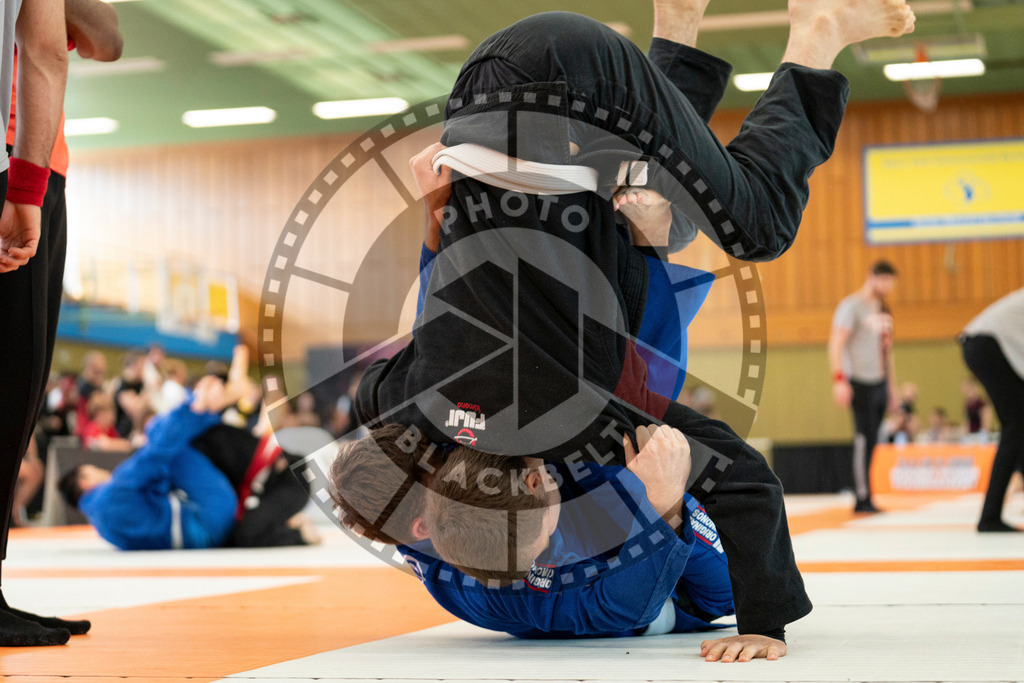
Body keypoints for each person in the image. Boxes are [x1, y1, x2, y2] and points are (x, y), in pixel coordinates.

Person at [351, 0, 916, 651]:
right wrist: (435, 219)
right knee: (663, 209)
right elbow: (426, 325)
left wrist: (766, 624)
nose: (554, 544)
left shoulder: (588, 417)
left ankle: (820, 36)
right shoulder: (414, 403)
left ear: (537, 478)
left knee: (755, 225)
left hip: (578, 86)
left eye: (548, 530)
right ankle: (679, 22)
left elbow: (747, 480)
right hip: (475, 105)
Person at [332, 424, 752, 659]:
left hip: (584, 517)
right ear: (424, 527)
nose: (461, 461)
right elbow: (620, 606)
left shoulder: (434, 452)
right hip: (664, 596)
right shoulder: (484, 580)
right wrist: (665, 505)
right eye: (446, 475)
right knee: (727, 582)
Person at [829, 260, 899, 513]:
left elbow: (887, 352)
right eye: (885, 281)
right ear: (872, 277)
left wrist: (892, 389)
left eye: (891, 283)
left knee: (873, 440)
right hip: (859, 381)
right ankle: (862, 497)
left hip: (879, 382)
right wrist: (840, 379)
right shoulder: (852, 306)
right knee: (862, 439)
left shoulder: (882, 309)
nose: (888, 287)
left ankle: (869, 493)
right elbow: (836, 343)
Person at [961, 288, 1024, 532]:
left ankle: (990, 514)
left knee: (1018, 426)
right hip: (987, 345)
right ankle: (990, 516)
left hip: (984, 344)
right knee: (1016, 425)